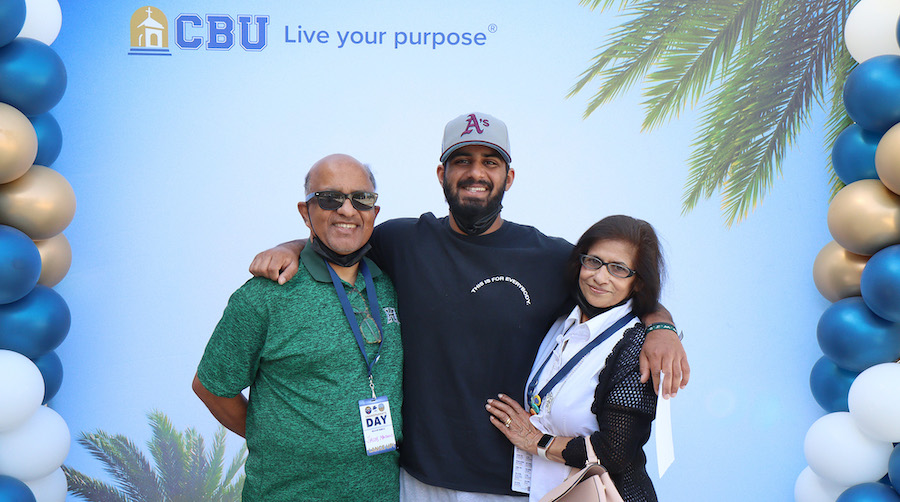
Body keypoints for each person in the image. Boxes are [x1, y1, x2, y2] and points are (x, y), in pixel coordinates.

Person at [249, 113, 689, 499]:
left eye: (490, 162)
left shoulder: (551, 257)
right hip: (418, 480)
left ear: (508, 178)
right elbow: (342, 239)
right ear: (441, 173)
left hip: (515, 482)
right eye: (462, 160)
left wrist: (661, 326)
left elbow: (616, 290)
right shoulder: (402, 241)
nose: (475, 172)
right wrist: (290, 247)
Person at [192, 154, 403, 501]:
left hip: (379, 493)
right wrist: (276, 440)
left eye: (361, 199)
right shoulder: (264, 296)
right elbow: (211, 387)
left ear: (374, 214)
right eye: (329, 198)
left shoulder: (393, 282)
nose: (347, 210)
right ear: (306, 212)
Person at [486, 215, 664, 502]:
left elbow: (614, 453)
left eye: (618, 269)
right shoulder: (563, 320)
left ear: (639, 282)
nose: (600, 276)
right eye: (593, 261)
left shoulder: (636, 345)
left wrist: (537, 442)